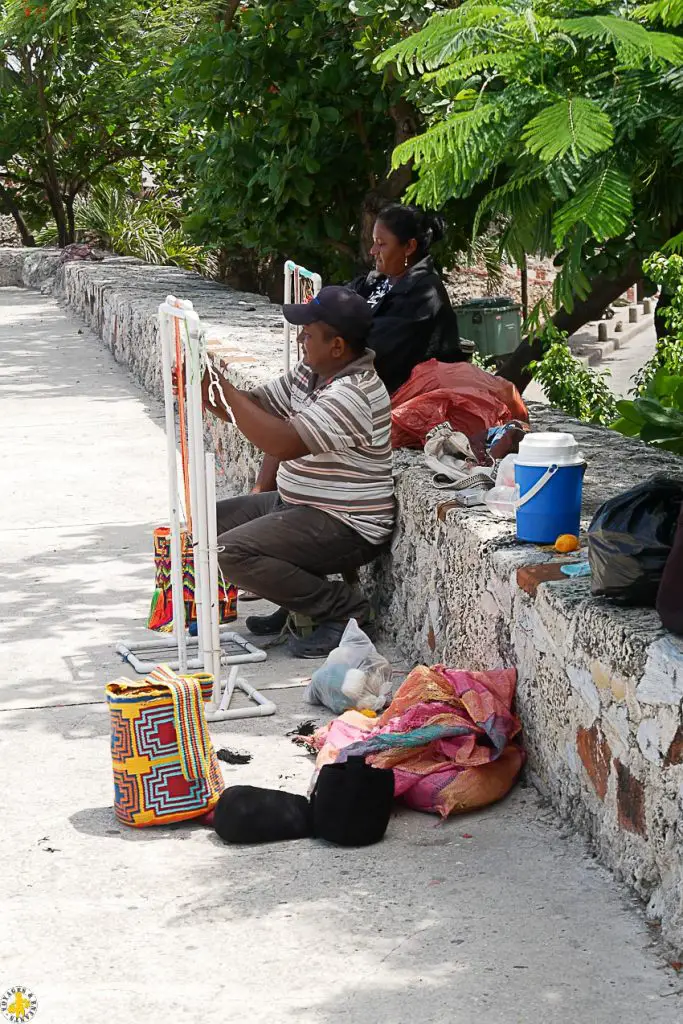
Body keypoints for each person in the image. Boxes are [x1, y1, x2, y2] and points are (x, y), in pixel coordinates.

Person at [203, 286, 395, 659]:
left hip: (346, 524)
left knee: (227, 551)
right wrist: (209, 389)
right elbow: (254, 406)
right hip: (299, 504)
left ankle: (343, 610)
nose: (301, 339)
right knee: (207, 527)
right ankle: (299, 603)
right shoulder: (310, 373)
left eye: (308, 334)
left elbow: (284, 442)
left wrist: (222, 389)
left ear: (337, 346)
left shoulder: (354, 392)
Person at [347, 203, 466, 395]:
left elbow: (371, 349)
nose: (372, 250)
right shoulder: (383, 279)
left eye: (381, 243)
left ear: (409, 246)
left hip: (403, 399)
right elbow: (340, 299)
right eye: (374, 241)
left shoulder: (424, 295)